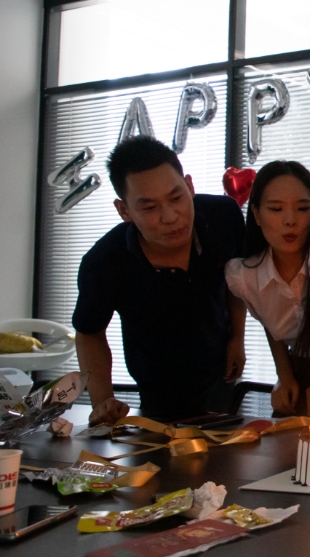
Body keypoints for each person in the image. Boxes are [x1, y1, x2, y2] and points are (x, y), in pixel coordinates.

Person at [73, 136, 246, 424]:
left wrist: (237, 338)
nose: (170, 217)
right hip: (157, 388)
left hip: (221, 371)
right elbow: (89, 332)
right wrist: (102, 402)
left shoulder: (223, 217)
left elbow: (237, 281)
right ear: (124, 210)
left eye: (177, 198)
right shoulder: (105, 261)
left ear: (189, 186)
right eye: (150, 207)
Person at [226, 161, 310, 418]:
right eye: (276, 209)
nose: (290, 221)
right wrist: (283, 375)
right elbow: (268, 316)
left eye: (303, 208)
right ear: (256, 214)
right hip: (299, 372)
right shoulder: (245, 277)